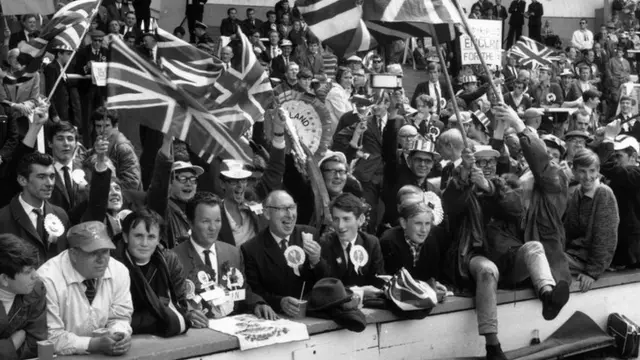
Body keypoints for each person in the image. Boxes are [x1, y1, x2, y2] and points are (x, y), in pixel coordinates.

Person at [172, 192, 278, 320]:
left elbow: (241, 291)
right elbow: (169, 303)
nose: (213, 227)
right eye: (205, 221)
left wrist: (257, 303)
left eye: (217, 220)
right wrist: (185, 315)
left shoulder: (233, 253)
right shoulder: (174, 258)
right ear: (190, 222)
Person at [38, 221, 133, 356]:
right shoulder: (47, 279)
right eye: (93, 253)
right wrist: (94, 344)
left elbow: (121, 317)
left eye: (105, 251)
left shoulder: (119, 270)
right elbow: (51, 336)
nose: (102, 260)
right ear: (74, 254)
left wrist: (119, 335)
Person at [114, 208, 202, 336]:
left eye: (151, 237)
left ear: (159, 239)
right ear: (125, 237)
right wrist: (164, 317)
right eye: (138, 236)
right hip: (123, 333)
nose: (144, 243)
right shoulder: (113, 264)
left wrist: (189, 315)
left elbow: (180, 304)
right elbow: (114, 318)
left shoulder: (169, 261)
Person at [0, 109, 70, 265]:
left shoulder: (61, 215)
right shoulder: (3, 219)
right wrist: (35, 127)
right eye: (41, 177)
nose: (50, 183)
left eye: (52, 176)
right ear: (22, 180)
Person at [242, 190, 327, 317]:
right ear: (267, 213)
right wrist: (280, 302)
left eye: (292, 208)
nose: (290, 214)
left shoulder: (310, 234)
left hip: (311, 313)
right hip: (277, 317)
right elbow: (255, 292)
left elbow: (327, 279)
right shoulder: (251, 249)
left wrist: (316, 261)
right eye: (282, 209)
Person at [565, 148, 619, 292]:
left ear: (598, 171)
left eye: (592, 171)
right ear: (574, 170)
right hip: (574, 255)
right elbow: (569, 230)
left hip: (588, 262)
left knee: (549, 262)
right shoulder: (577, 191)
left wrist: (592, 273)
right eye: (582, 171)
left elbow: (606, 238)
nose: (587, 176)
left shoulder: (603, 194)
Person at [319, 193, 386, 297]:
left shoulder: (371, 243)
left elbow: (378, 282)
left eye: (346, 219)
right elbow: (328, 286)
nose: (340, 226)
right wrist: (359, 292)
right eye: (336, 219)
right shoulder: (325, 244)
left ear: (360, 220)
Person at [0, 234, 47, 360]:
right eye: (28, 272)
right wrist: (12, 345)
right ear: (4, 279)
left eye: (34, 269)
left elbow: (37, 344)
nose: (36, 276)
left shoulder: (36, 289)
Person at [89, 107, 142, 191]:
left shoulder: (123, 148)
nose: (102, 130)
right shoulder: (101, 141)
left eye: (106, 126)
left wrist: (106, 177)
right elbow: (87, 156)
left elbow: (132, 184)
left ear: (115, 126)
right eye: (98, 126)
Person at [47, 121, 87, 218]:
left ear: (76, 144)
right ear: (50, 143)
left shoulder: (86, 169)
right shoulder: (44, 171)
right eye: (60, 139)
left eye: (70, 139)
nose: (66, 144)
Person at [45, 44, 74, 124]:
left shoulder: (62, 68)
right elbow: (49, 92)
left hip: (64, 109)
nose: (70, 56)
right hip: (57, 111)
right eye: (68, 54)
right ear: (59, 54)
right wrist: (54, 114)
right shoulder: (52, 68)